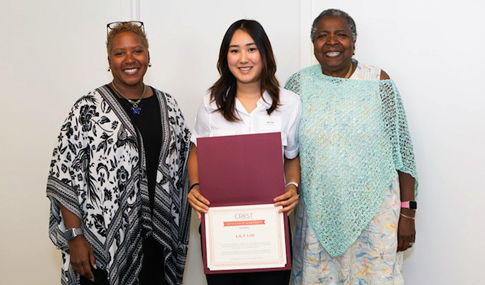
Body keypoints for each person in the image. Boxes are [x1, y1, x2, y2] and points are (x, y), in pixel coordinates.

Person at [46, 21, 191, 285]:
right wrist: (74, 236)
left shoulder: (168, 105)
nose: (129, 59)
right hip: (99, 245)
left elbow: (187, 161)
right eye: (119, 53)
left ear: (148, 56)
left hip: (157, 242)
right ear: (109, 60)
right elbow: (65, 173)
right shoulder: (87, 108)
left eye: (137, 51)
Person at [285, 9, 418, 285]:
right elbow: (287, 152)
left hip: (375, 218)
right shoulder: (297, 86)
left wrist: (408, 213)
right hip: (316, 219)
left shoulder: (378, 82)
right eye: (322, 35)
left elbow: (402, 153)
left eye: (341, 34)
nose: (331, 41)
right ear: (313, 45)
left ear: (354, 42)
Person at [187, 19, 301, 285]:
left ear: (264, 53)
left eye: (251, 49)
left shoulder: (290, 103)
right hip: (220, 228)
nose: (243, 58)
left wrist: (293, 187)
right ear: (225, 57)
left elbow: (292, 156)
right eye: (234, 50)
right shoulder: (211, 102)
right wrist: (195, 186)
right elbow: (196, 151)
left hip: (270, 228)